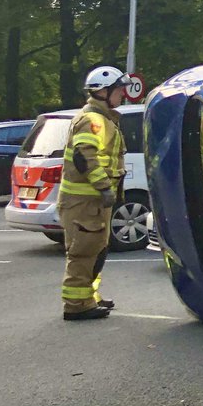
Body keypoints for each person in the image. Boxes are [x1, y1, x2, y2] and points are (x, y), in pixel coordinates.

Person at [59, 66, 131, 320]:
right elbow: (85, 157)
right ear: (103, 91)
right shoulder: (93, 120)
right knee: (83, 251)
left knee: (96, 250)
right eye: (119, 90)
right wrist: (103, 187)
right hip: (84, 200)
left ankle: (89, 297)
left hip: (93, 201)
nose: (122, 94)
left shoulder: (104, 118)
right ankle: (76, 306)